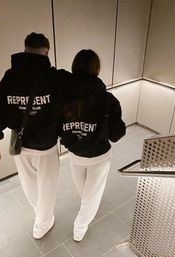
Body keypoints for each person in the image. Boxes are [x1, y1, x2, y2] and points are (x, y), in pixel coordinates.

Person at [0, 33, 104, 240]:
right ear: (47, 51)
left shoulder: (10, 77)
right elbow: (84, 84)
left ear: (24, 50)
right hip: (46, 145)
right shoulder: (56, 78)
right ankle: (42, 222)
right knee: (47, 187)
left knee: (29, 185)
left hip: (20, 145)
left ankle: (42, 218)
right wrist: (102, 90)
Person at [59, 49, 126, 241]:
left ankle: (88, 206)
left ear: (74, 67)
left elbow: (57, 126)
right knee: (92, 192)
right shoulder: (108, 99)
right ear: (96, 69)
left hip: (74, 154)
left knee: (84, 190)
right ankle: (80, 227)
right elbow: (117, 133)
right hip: (99, 155)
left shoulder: (64, 98)